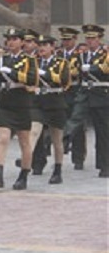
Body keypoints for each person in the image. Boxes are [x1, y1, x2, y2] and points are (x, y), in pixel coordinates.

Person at [0, 28, 39, 190]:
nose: (11, 42)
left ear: (22, 42)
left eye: (15, 39)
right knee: (2, 137)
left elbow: (32, 79)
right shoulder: (1, 60)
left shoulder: (29, 60)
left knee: (24, 142)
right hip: (5, 101)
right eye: (9, 39)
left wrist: (13, 73)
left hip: (21, 101)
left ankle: (23, 175)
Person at [65, 25, 109, 178]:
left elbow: (106, 68)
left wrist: (90, 68)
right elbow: (73, 70)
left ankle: (104, 165)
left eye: (93, 38)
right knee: (74, 120)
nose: (90, 41)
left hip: (101, 94)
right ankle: (65, 141)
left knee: (102, 132)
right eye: (88, 38)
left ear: (99, 39)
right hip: (84, 93)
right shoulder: (81, 54)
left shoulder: (106, 53)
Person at [30, 35, 70, 184]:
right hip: (38, 102)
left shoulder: (62, 62)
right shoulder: (34, 62)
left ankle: (58, 170)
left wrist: (45, 74)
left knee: (56, 139)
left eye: (45, 44)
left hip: (55, 101)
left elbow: (64, 79)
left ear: (53, 47)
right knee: (33, 130)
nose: (42, 47)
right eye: (40, 44)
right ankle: (26, 165)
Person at [57, 27, 86, 169]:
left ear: (75, 40)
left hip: (75, 91)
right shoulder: (58, 54)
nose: (66, 42)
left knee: (77, 126)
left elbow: (79, 73)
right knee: (60, 124)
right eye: (64, 39)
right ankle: (59, 156)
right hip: (61, 91)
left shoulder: (80, 55)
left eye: (68, 39)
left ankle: (78, 158)